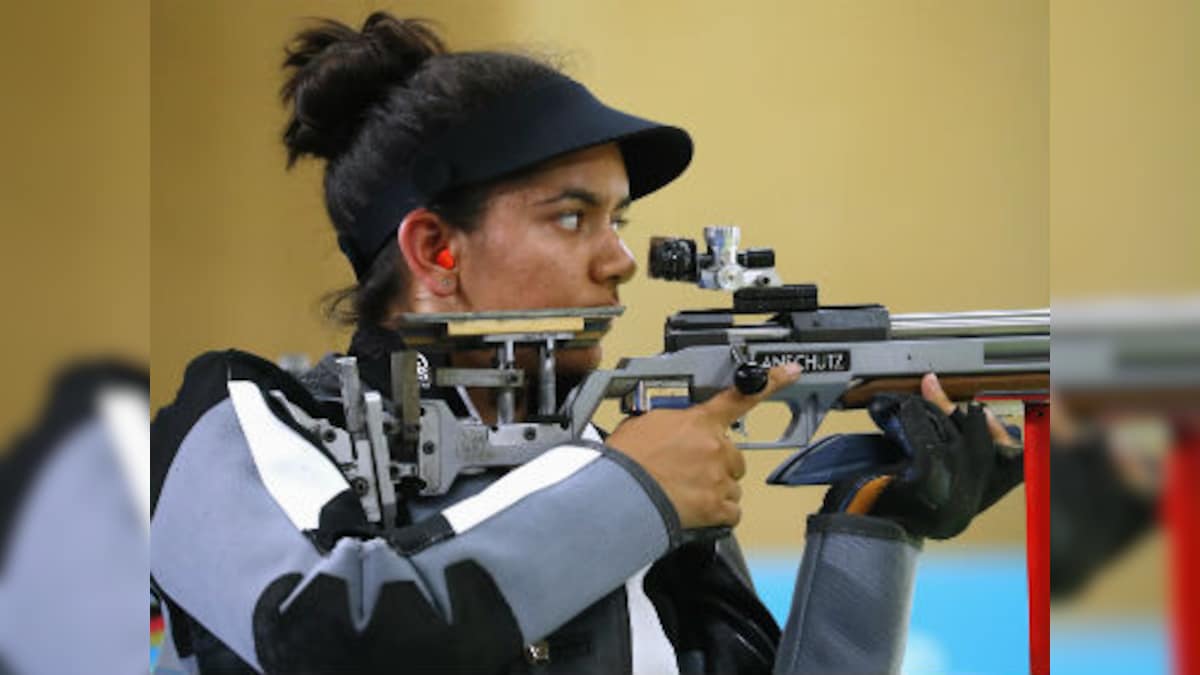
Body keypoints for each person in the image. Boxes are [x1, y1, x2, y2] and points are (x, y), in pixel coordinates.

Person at [150, 13, 1022, 674]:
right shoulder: (236, 420)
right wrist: (630, 489)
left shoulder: (614, 464)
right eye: (571, 216)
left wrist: (876, 532)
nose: (621, 259)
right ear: (434, 251)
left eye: (619, 219)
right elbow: (327, 632)